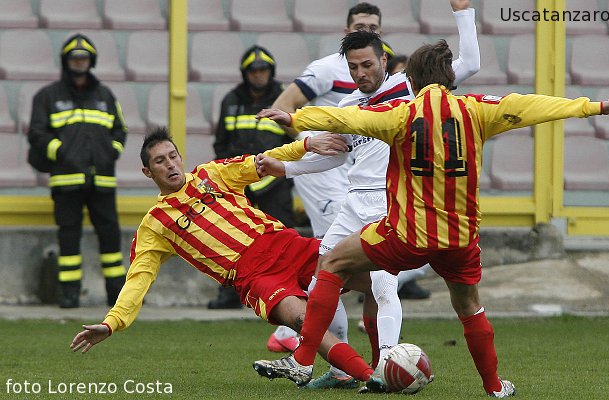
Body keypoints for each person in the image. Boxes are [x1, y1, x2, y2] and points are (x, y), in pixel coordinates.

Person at [253, 40, 609, 397]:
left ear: (413, 80)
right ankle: (494, 386)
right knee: (469, 306)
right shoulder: (478, 109)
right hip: (460, 239)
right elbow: (532, 106)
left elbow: (345, 121)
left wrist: (295, 118)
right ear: (450, 78)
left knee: (332, 262)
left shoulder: (398, 114)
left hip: (406, 235)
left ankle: (303, 360)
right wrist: (594, 106)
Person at [257, 2, 480, 390]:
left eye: (368, 65)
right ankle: (332, 361)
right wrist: (287, 168)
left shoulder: (409, 88)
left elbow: (471, 63)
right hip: (352, 201)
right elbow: (331, 156)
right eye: (354, 67)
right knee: (320, 277)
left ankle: (386, 368)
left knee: (382, 285)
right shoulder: (347, 106)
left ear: (384, 61)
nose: (361, 73)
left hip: (390, 201)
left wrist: (464, 12)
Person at [69, 128, 381, 385]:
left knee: (375, 282)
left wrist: (306, 144)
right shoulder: (154, 224)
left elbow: (263, 162)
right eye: (160, 161)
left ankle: (383, 360)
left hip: (286, 245)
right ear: (147, 172)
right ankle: (372, 378)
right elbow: (139, 278)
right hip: (256, 277)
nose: (170, 165)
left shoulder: (211, 174)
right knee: (302, 319)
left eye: (173, 156)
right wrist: (113, 323)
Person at [263, 2, 383, 376]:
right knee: (338, 263)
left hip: (356, 176)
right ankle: (329, 355)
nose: (366, 29)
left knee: (358, 269)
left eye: (373, 27)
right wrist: (310, 143)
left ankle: (306, 338)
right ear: (346, 31)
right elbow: (284, 105)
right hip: (323, 176)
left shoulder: (386, 79)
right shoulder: (327, 69)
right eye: (359, 25)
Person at [27, 33, 128, 309]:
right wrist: (61, 152)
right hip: (66, 180)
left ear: (91, 62)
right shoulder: (47, 96)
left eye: (84, 58)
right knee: (68, 237)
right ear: (66, 61)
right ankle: (69, 294)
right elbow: (36, 134)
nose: (80, 62)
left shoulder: (105, 95)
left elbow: (120, 130)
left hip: (102, 179)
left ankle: (117, 295)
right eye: (75, 58)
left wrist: (112, 152)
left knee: (110, 236)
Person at [208, 45, 294, 313]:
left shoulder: (283, 98)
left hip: (275, 185)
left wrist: (281, 174)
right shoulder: (231, 100)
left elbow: (294, 141)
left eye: (264, 69)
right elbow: (220, 143)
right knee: (231, 240)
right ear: (245, 73)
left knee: (281, 239)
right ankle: (230, 293)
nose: (259, 74)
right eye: (253, 70)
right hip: (238, 185)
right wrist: (233, 177)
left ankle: (286, 293)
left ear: (271, 72)